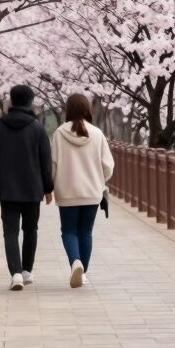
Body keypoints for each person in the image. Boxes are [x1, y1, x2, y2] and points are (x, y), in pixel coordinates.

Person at [0, 84, 53, 291]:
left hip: (7, 189)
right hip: (32, 188)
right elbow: (45, 161)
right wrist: (48, 188)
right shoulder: (37, 128)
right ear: (30, 101)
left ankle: (15, 274)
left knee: (10, 232)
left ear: (12, 101)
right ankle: (27, 271)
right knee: (31, 229)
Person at [50, 93, 114, 288]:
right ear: (87, 109)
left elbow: (53, 165)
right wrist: (100, 181)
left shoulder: (59, 133)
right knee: (86, 232)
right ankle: (83, 273)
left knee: (69, 230)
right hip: (92, 192)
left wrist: (52, 185)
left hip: (67, 191)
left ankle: (75, 262)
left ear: (68, 109)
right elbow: (108, 166)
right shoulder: (97, 133)